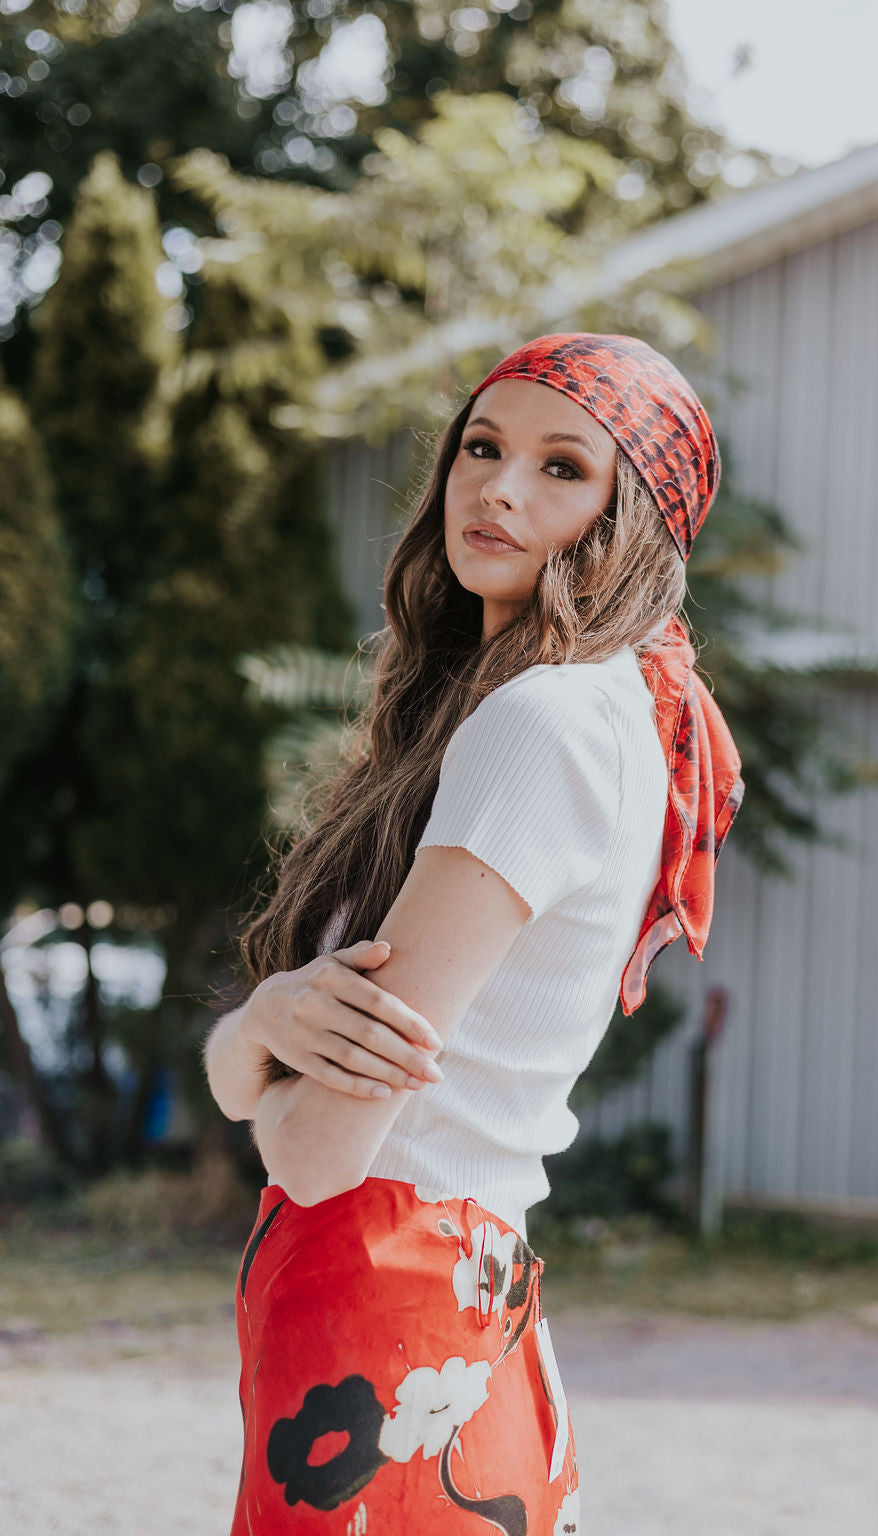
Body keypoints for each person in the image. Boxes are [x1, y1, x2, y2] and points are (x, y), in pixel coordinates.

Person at [204, 332, 743, 1534]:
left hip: (386, 1296)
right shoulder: (562, 711)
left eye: (564, 469)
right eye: (481, 447)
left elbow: (319, 1148)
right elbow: (282, 1093)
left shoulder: (547, 722)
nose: (496, 488)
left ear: (634, 520)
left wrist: (258, 1044)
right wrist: (266, 1032)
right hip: (442, 1293)